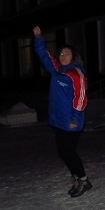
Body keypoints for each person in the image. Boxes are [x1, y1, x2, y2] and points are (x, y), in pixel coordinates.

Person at [33, 26, 91, 197]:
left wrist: (75, 118)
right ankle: (76, 177)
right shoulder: (57, 70)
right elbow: (44, 55)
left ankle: (84, 180)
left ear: (74, 56)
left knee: (69, 152)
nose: (63, 56)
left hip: (70, 120)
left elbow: (81, 98)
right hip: (58, 119)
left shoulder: (76, 74)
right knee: (62, 151)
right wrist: (38, 38)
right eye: (62, 54)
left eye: (67, 54)